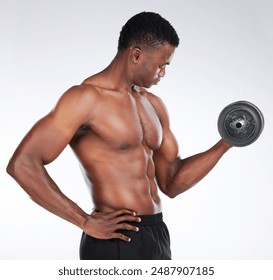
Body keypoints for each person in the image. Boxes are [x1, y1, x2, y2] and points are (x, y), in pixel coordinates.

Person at [6, 11, 231, 260]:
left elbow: (172, 182)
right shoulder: (85, 98)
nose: (163, 73)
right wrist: (83, 220)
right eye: (161, 65)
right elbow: (22, 164)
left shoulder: (154, 105)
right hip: (114, 238)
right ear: (136, 54)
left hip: (157, 234)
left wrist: (227, 142)